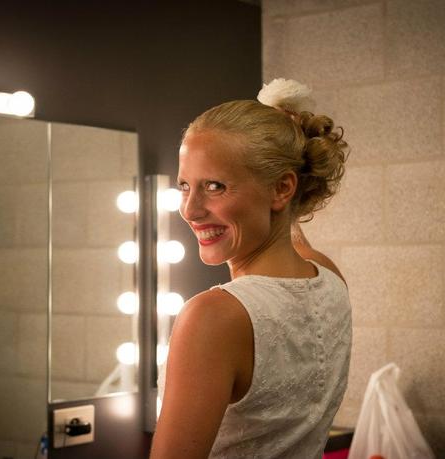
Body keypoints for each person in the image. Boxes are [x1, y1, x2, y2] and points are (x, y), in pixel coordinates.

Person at [150, 79, 352, 459]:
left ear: (282, 189)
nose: (189, 210)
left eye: (214, 186)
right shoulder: (327, 276)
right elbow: (293, 236)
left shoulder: (213, 317)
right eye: (185, 186)